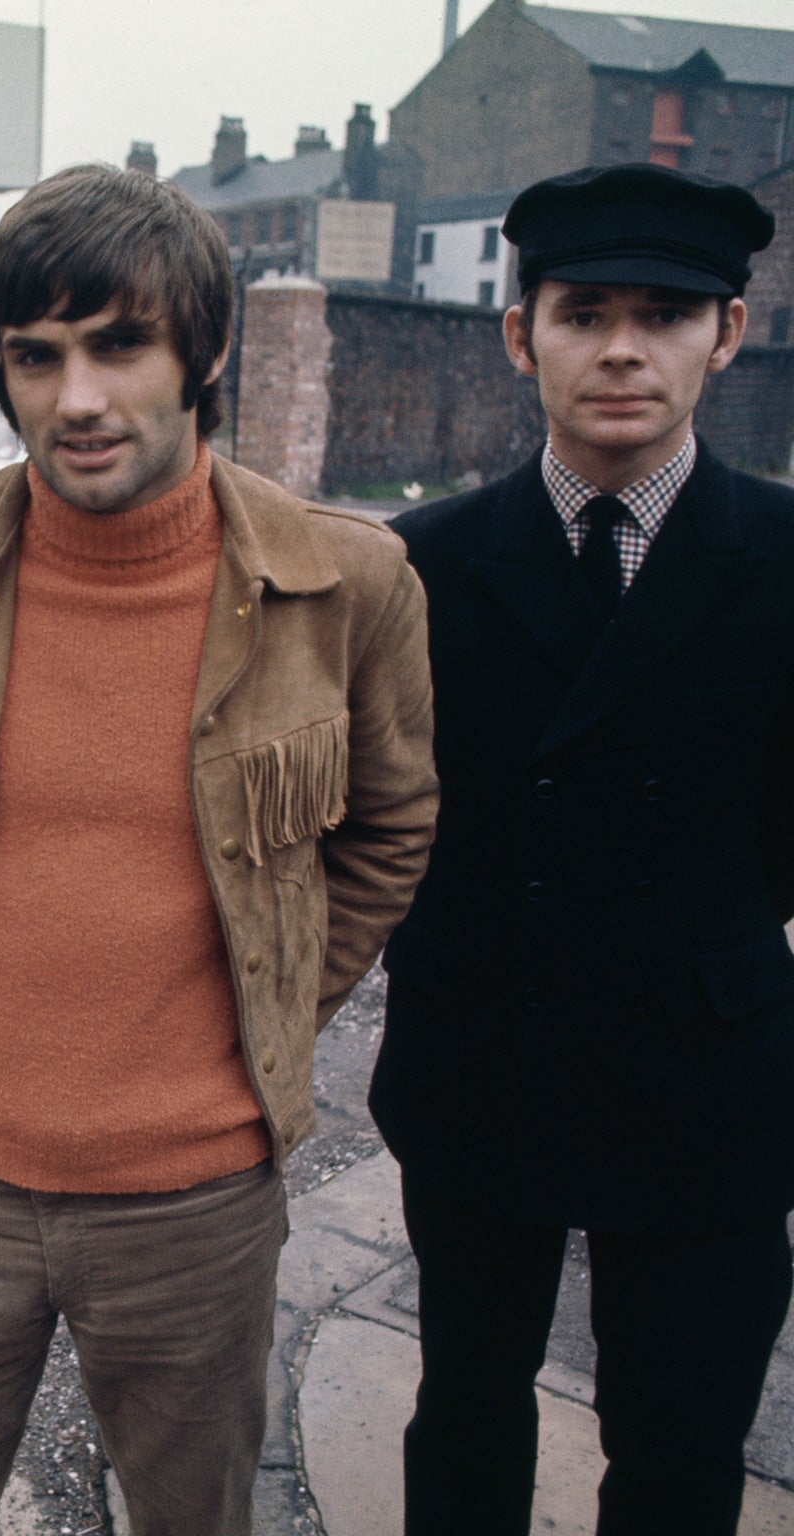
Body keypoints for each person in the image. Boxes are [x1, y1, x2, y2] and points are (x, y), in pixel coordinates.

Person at [0, 164, 438, 1536]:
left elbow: (394, 821)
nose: (76, 397)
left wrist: (271, 1005)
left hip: (196, 1198)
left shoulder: (344, 583)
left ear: (203, 353)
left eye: (119, 344)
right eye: (37, 356)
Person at [372, 163, 786, 1535]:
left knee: (678, 1450)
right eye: (584, 309)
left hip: (707, 1085)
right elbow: (370, 812)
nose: (622, 346)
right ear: (519, 332)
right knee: (468, 1417)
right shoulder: (420, 564)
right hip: (486, 1059)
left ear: (727, 332)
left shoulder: (785, 560)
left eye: (666, 313)